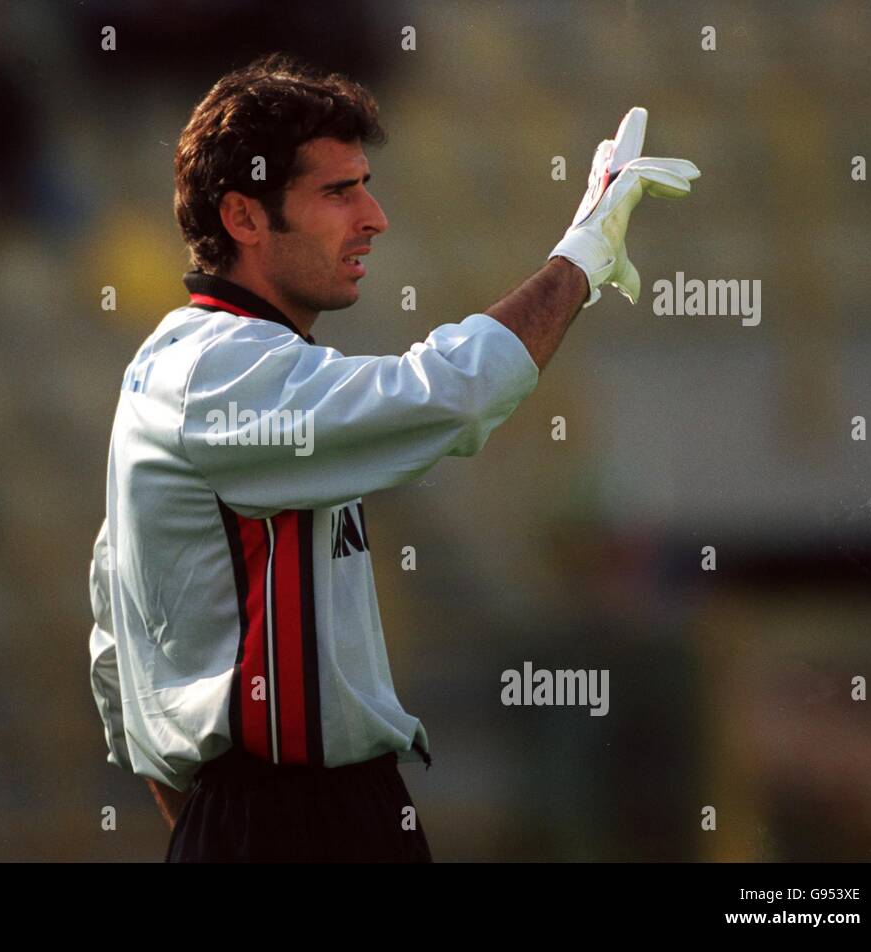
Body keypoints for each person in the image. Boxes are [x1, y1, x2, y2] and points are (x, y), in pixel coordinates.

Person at [87, 53, 699, 862]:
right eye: (338, 192)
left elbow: (110, 645)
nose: (373, 216)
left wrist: (210, 829)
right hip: (286, 817)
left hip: (299, 812)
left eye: (364, 185)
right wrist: (578, 261)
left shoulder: (191, 359)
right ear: (243, 217)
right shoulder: (222, 369)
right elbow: (445, 394)